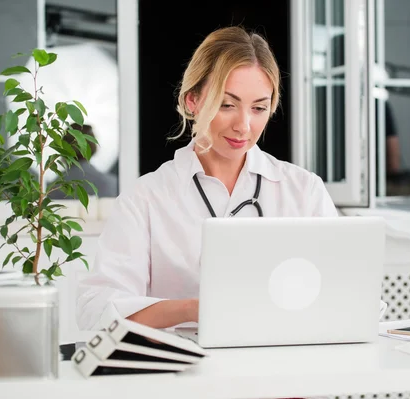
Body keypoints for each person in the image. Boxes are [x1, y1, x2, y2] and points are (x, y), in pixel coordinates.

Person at [76, 26, 338, 332]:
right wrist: (191, 309)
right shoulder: (146, 198)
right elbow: (95, 309)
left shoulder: (304, 191)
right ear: (192, 101)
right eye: (227, 104)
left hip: (279, 363)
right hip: (183, 371)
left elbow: (342, 293)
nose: (244, 125)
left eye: (259, 108)